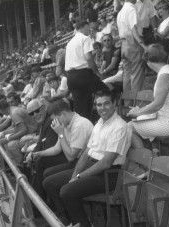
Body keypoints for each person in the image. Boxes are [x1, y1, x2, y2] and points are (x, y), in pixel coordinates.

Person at [42, 90, 131, 227]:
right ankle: (68, 220)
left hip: (110, 174)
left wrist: (78, 177)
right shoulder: (100, 123)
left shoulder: (119, 127)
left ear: (115, 103)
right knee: (50, 182)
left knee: (66, 191)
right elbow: (86, 153)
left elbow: (106, 163)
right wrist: (74, 175)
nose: (102, 108)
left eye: (106, 104)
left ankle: (82, 224)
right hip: (93, 166)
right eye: (99, 104)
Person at [127, 44, 169, 152]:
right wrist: (140, 112)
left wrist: (138, 112)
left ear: (148, 61)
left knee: (128, 127)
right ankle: (155, 154)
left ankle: (144, 161)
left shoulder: (165, 75)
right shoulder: (167, 71)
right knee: (141, 120)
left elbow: (157, 104)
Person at [25, 100, 93, 177]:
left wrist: (60, 134)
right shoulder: (65, 123)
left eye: (56, 119)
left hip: (84, 163)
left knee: (48, 181)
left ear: (62, 114)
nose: (55, 122)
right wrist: (38, 153)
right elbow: (56, 149)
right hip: (76, 160)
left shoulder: (79, 125)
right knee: (43, 165)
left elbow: (71, 157)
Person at [65, 21, 109, 120]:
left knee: (81, 110)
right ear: (83, 27)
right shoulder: (85, 38)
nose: (90, 30)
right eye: (88, 27)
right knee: (107, 92)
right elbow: (88, 57)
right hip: (83, 75)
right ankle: (108, 118)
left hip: (71, 77)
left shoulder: (70, 43)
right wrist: (97, 73)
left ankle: (85, 129)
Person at [117, 0, 147, 96]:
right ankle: (137, 103)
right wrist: (143, 45)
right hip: (132, 42)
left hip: (124, 44)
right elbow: (134, 30)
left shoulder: (121, 11)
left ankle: (127, 104)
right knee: (137, 74)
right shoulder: (131, 9)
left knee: (127, 75)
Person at [0, 99, 38, 165]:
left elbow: (24, 130)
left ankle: (19, 165)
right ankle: (12, 164)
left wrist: (8, 139)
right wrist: (4, 133)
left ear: (1, 110)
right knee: (4, 140)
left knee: (10, 145)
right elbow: (17, 128)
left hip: (33, 135)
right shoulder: (14, 110)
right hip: (30, 133)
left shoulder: (14, 114)